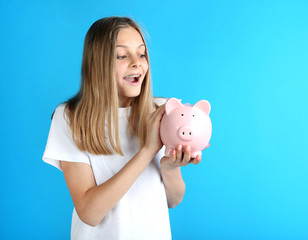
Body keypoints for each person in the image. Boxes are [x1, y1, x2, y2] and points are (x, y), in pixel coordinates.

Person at [42, 16, 204, 240]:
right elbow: (89, 213)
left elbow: (174, 200)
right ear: (98, 63)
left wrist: (170, 168)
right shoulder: (70, 117)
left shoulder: (162, 111)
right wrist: (147, 151)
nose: (137, 63)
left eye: (141, 54)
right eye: (121, 56)